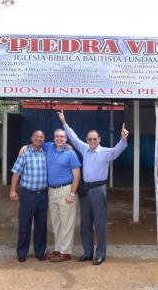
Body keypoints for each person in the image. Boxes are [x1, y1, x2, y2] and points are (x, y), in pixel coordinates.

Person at [57, 110, 129, 266]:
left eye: (94, 139)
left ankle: (100, 254)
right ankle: (88, 253)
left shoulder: (105, 152)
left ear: (99, 139)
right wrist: (64, 122)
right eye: (89, 139)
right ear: (87, 140)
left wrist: (123, 138)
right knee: (85, 223)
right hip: (85, 190)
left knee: (100, 223)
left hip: (98, 190)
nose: (92, 141)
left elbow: (118, 149)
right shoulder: (84, 149)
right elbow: (74, 138)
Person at [19, 129, 81, 262]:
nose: (59, 138)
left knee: (66, 223)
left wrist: (72, 193)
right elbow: (36, 142)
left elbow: (77, 176)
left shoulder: (71, 153)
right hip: (51, 191)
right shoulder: (49, 147)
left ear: (66, 139)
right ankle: (58, 249)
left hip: (66, 190)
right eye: (57, 136)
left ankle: (66, 252)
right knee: (56, 222)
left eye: (62, 137)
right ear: (53, 138)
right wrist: (25, 146)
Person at [9, 130, 48, 262]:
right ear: (31, 138)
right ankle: (22, 253)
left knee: (41, 226)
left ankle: (40, 252)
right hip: (28, 195)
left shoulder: (46, 153)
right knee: (24, 224)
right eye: (36, 137)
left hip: (43, 195)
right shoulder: (25, 153)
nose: (38, 139)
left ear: (43, 140)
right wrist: (13, 190)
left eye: (41, 137)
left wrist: (68, 146)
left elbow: (60, 145)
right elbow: (16, 173)